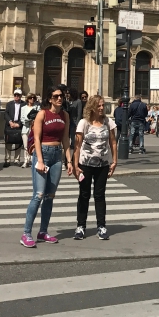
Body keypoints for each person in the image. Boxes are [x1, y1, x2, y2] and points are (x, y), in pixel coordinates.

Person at [21, 86, 72, 248]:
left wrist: (69, 161)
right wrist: (40, 161)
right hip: (42, 152)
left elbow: (65, 140)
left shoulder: (65, 115)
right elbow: (36, 138)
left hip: (57, 155)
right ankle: (26, 233)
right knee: (38, 194)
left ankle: (43, 231)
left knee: (50, 196)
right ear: (49, 99)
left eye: (61, 96)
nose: (59, 98)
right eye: (56, 96)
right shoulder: (42, 114)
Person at [72, 94, 118, 241]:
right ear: (91, 107)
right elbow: (77, 146)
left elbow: (113, 143)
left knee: (100, 195)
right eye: (98, 105)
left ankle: (101, 226)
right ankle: (81, 226)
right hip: (85, 164)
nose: (101, 108)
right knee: (84, 195)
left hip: (103, 165)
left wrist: (114, 161)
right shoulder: (84, 123)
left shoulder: (108, 122)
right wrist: (75, 165)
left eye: (103, 105)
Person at [3, 88, 26, 166]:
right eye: (15, 95)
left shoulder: (24, 104)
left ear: (21, 96)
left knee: (18, 142)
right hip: (10, 125)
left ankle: (17, 159)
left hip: (19, 125)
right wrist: (10, 122)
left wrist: (19, 124)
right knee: (8, 142)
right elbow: (6, 114)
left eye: (18, 95)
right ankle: (7, 159)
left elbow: (24, 115)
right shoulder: (9, 104)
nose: (17, 97)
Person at [21, 93, 38, 168]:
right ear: (27, 99)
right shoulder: (23, 108)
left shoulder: (37, 107)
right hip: (26, 128)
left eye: (34, 98)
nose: (32, 99)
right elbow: (22, 119)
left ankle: (32, 160)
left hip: (34, 128)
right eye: (31, 98)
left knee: (33, 145)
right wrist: (29, 120)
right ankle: (26, 160)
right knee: (25, 146)